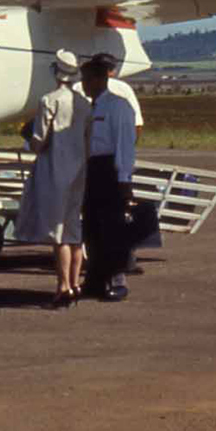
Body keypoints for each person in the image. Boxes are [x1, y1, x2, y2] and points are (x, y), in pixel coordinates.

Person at [13, 51, 91, 307]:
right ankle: (76, 282)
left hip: (54, 169)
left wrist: (31, 140)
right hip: (80, 170)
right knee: (74, 230)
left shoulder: (49, 100)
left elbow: (40, 140)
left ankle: (63, 285)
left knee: (58, 234)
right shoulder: (84, 103)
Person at [79, 53, 138, 301]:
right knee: (91, 227)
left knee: (111, 228)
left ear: (99, 79)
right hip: (89, 169)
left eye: (87, 79)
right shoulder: (87, 107)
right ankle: (94, 278)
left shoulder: (118, 106)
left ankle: (116, 279)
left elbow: (126, 144)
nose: (83, 84)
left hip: (109, 170)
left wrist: (124, 178)